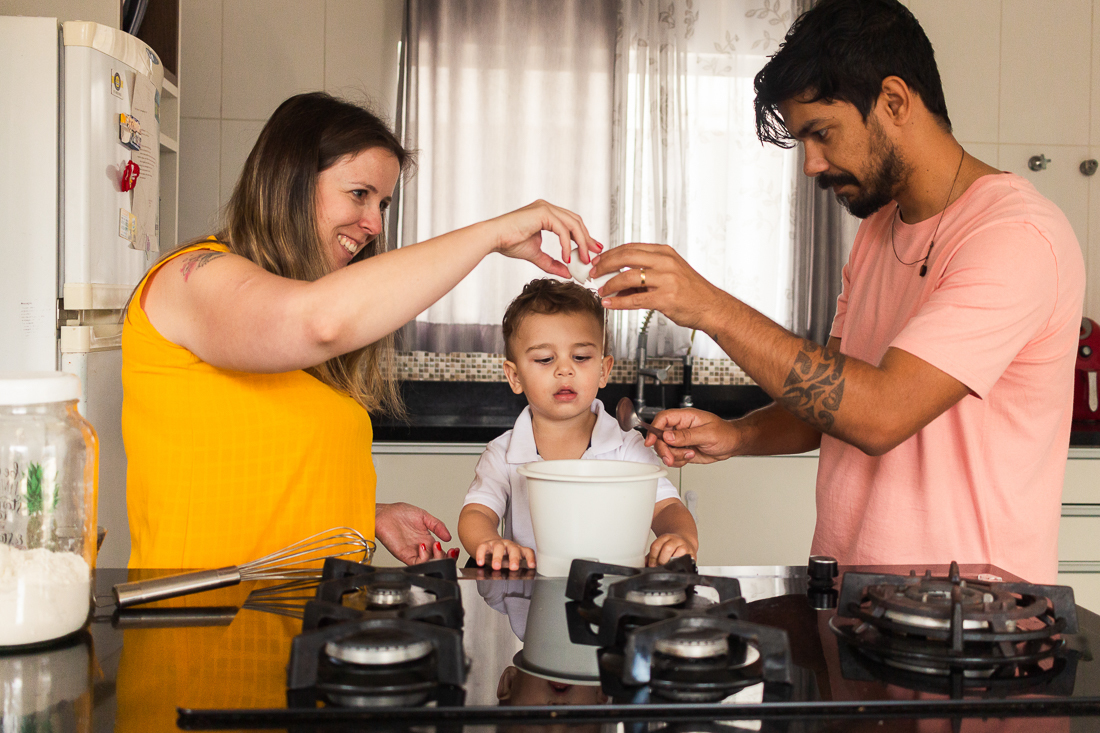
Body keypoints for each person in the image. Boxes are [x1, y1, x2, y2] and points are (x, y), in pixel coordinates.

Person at [590, 0, 1084, 584]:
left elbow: (880, 414)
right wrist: (738, 435)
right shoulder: (879, 230)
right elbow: (835, 399)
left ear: (894, 101)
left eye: (821, 133)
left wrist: (711, 308)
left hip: (975, 629)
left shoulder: (1014, 235)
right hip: (856, 603)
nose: (811, 164)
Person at [121, 92, 600, 569]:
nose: (373, 223)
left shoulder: (287, 300)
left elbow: (248, 469)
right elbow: (320, 322)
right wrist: (494, 233)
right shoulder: (192, 278)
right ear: (289, 181)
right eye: (359, 194)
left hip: (298, 622)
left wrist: (364, 514)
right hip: (204, 628)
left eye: (384, 203)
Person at [457, 279, 698, 571]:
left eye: (581, 357)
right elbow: (476, 513)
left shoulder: (626, 446)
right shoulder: (502, 453)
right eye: (545, 359)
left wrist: (680, 536)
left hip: (607, 602)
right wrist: (488, 541)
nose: (565, 369)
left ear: (603, 370)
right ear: (515, 376)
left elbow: (667, 507)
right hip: (530, 602)